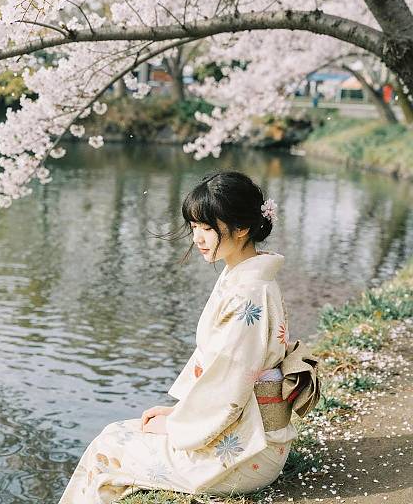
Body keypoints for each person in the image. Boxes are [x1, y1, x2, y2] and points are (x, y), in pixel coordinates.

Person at [57, 170, 298, 503]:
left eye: (207, 229)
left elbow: (228, 386)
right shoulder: (245, 278)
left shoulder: (249, 295)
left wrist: (177, 426)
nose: (198, 239)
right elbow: (222, 376)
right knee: (114, 435)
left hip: (247, 454)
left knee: (105, 451)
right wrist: (179, 411)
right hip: (248, 433)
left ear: (242, 228)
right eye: (195, 228)